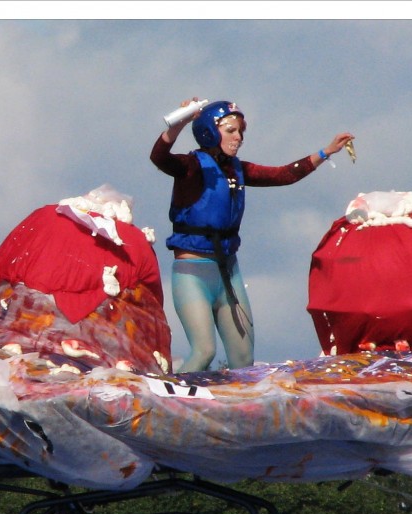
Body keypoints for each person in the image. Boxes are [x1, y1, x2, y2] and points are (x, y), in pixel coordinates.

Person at [151, 98, 354, 372]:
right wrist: (181, 122)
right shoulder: (191, 166)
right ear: (210, 131)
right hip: (193, 274)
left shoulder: (239, 170)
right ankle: (169, 404)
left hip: (228, 274)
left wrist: (326, 151)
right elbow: (159, 157)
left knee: (243, 361)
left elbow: (284, 175)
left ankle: (235, 411)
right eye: (231, 130)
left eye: (241, 132)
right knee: (204, 352)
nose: (239, 138)